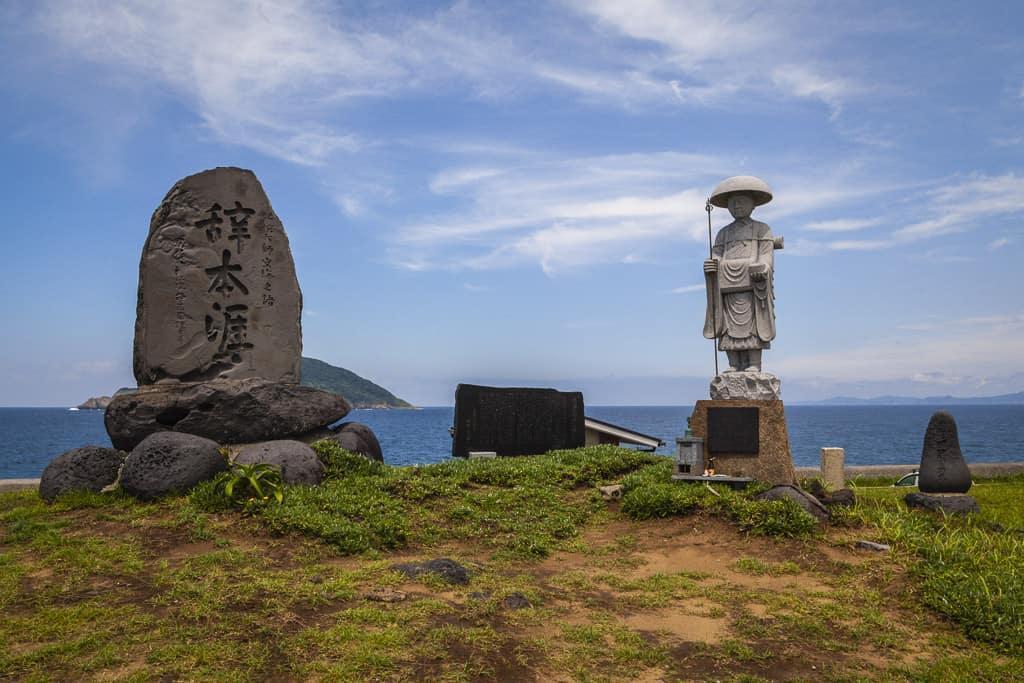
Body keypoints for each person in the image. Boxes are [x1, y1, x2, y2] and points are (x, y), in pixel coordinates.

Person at [702, 176, 782, 373]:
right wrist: (713, 264)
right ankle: (733, 363)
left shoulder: (762, 229)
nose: (737, 206)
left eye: (742, 202)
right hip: (727, 287)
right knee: (728, 323)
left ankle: (754, 363)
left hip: (752, 286)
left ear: (753, 205)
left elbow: (766, 256)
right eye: (733, 203)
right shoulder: (723, 233)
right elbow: (717, 254)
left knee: (753, 323)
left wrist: (762, 267)